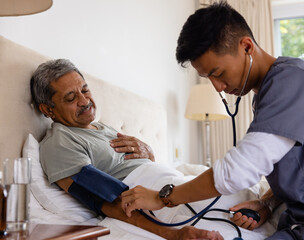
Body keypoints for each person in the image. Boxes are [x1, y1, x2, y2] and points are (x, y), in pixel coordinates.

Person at [120, 2, 304, 239]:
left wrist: (164, 197)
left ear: (246, 46)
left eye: (218, 73)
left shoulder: (293, 79)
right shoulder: (268, 96)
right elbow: (299, 173)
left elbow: (238, 170)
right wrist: (266, 203)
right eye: (208, 78)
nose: (218, 87)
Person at [30, 58, 223, 240]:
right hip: (160, 203)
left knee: (243, 198)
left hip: (174, 186)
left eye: (85, 90)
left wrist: (151, 155)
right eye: (71, 98)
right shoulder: (60, 142)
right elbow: (106, 200)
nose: (84, 101)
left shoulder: (103, 128)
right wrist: (174, 234)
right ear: (48, 109)